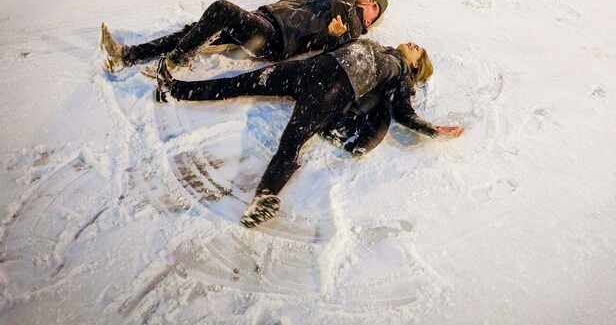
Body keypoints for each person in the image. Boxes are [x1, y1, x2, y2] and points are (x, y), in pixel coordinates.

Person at [154, 38, 464, 228]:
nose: (413, 46)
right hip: (309, 70)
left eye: (418, 53)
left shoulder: (399, 74)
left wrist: (431, 129)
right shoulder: (377, 46)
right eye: (415, 46)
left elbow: (404, 111)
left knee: (292, 140)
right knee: (243, 81)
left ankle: (265, 197)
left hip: (333, 89)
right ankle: (175, 89)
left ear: (415, 67)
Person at [100, 0, 387, 73]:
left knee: (221, 10)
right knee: (198, 31)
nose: (369, 2)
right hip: (265, 20)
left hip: (276, 39)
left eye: (374, 5)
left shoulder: (351, 26)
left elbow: (341, 2)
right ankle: (127, 56)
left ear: (371, 21)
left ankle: (177, 61)